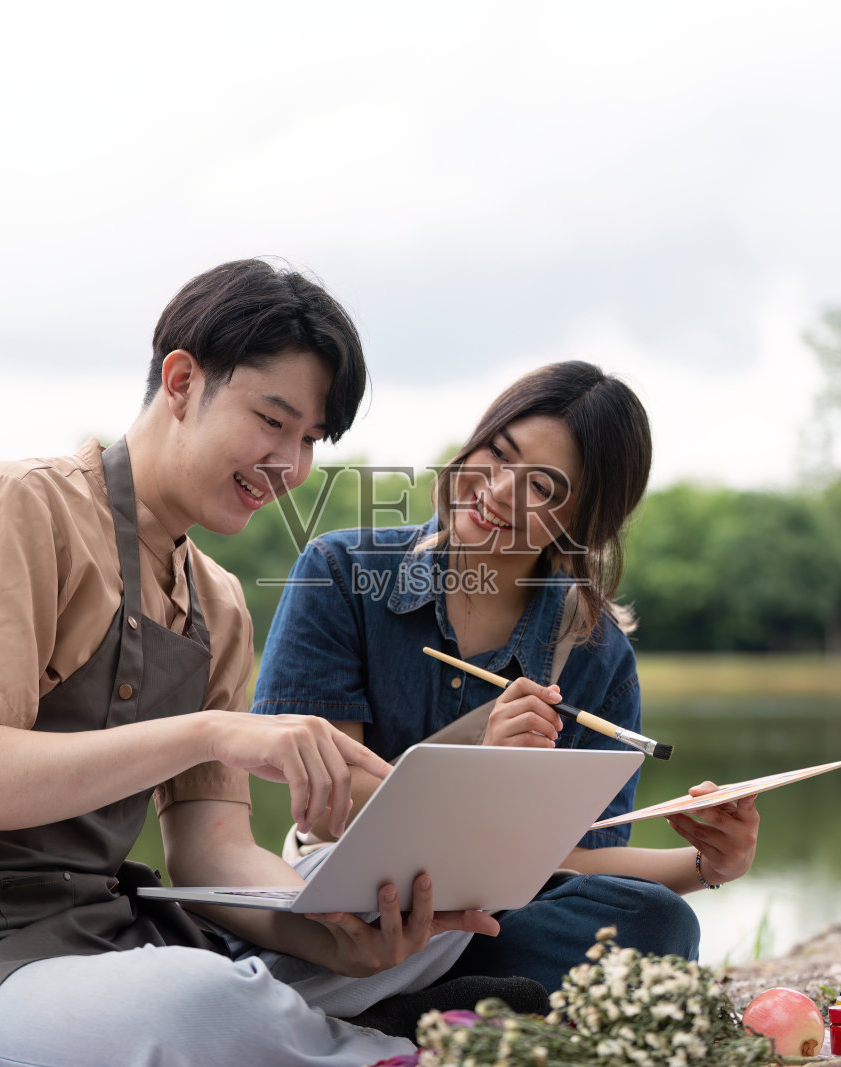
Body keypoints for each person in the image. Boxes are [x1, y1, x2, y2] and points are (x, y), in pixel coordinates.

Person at [0, 260, 538, 1067]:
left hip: (100, 940)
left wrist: (329, 926)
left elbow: (209, 850)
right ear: (182, 380)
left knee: (411, 928)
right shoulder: (17, 508)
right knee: (200, 999)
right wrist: (209, 732)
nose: (290, 467)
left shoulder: (217, 602)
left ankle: (352, 1021)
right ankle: (399, 1048)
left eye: (310, 441)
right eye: (272, 419)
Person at [250, 360, 762, 992]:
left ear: (585, 522)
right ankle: (464, 1012)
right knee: (336, 919)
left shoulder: (597, 656)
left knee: (656, 923)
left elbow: (581, 865)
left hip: (497, 924)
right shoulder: (340, 571)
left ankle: (421, 1014)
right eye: (498, 454)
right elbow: (328, 809)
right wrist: (473, 759)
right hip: (356, 901)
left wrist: (707, 863)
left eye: (544, 489)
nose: (496, 491)